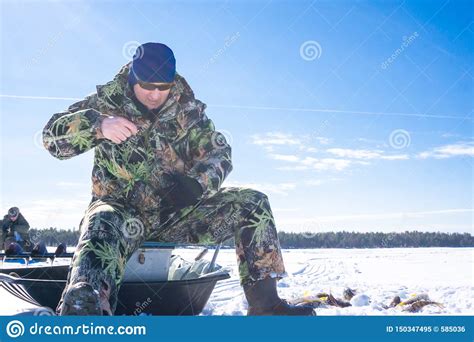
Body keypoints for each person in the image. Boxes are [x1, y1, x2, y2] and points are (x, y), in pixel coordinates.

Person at [42, 42, 315, 316]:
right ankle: (86, 302)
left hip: (174, 214)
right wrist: (97, 126)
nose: (155, 95)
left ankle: (266, 305)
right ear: (133, 79)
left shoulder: (188, 111)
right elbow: (51, 138)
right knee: (100, 220)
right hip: (119, 215)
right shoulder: (105, 102)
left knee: (253, 202)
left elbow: (219, 152)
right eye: (148, 86)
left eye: (163, 87)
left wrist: (198, 184)